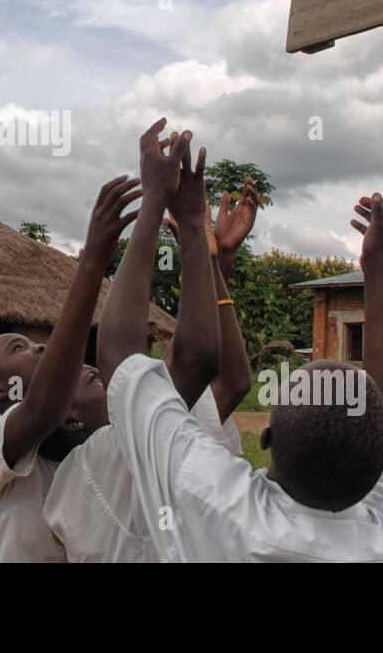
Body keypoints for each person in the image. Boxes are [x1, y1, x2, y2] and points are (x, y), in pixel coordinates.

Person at [97, 180, 383, 562]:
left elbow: (120, 363)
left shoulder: (219, 509)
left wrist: (167, 209)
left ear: (267, 437)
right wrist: (376, 267)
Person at [44, 137, 258, 562]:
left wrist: (214, 259)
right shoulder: (113, 455)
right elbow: (191, 361)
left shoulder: (93, 469)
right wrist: (161, 208)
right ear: (68, 418)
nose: (87, 368)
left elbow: (217, 370)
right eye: (80, 377)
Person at [0, 169, 142, 562]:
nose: (38, 345)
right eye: (17, 347)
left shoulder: (81, 447)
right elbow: (43, 409)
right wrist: (92, 263)